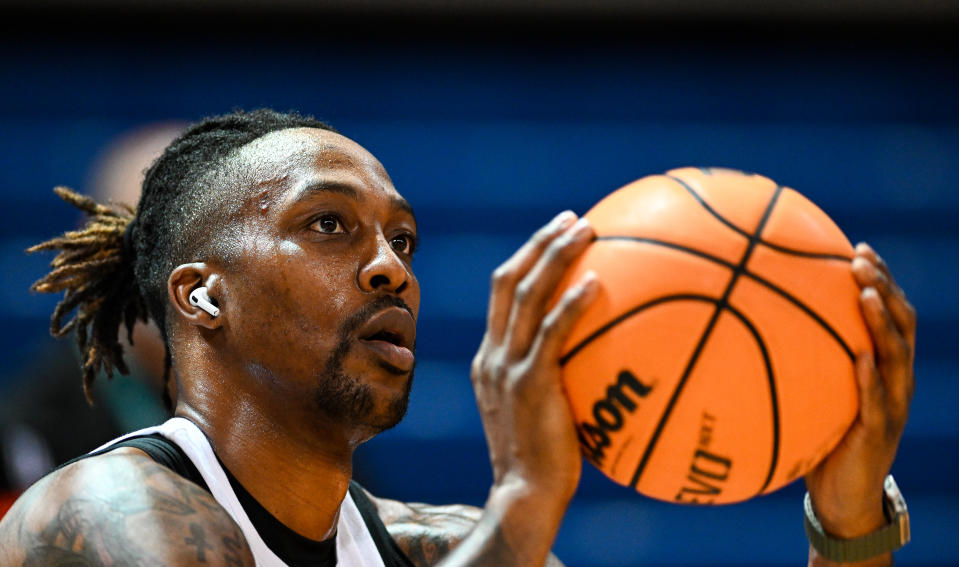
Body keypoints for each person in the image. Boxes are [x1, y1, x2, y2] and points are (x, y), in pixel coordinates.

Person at [0, 109, 915, 566]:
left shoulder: (439, 544)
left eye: (401, 238)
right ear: (202, 294)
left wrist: (847, 531)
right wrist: (523, 500)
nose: (390, 266)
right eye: (328, 225)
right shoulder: (94, 515)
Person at [0, 123, 183, 513]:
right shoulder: (26, 436)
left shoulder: (295, 408)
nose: (173, 270)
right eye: (147, 239)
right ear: (95, 252)